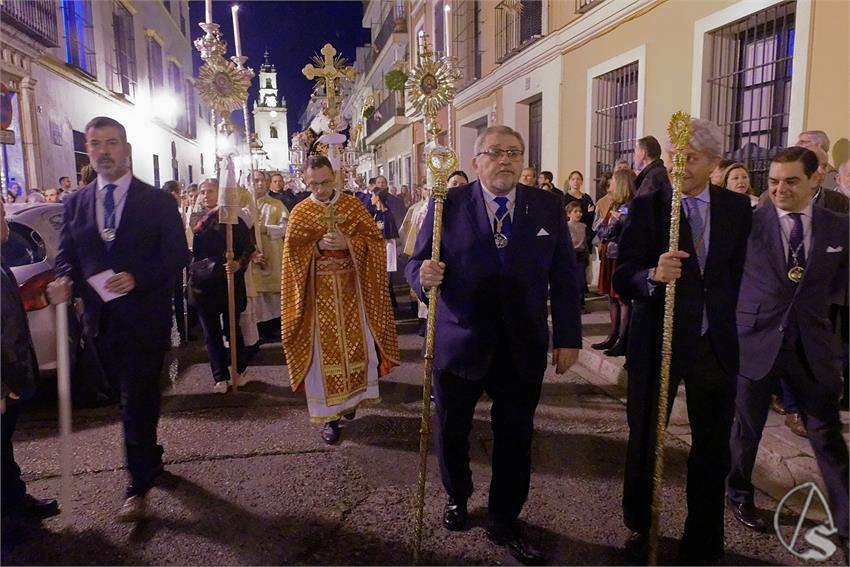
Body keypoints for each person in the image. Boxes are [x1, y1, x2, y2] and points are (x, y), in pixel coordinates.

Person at [406, 125, 581, 566]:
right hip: (460, 339)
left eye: (513, 152)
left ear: (523, 159)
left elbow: (564, 276)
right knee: (452, 429)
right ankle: (457, 495)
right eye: (494, 152)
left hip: (521, 344)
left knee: (516, 437)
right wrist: (421, 278)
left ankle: (505, 517)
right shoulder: (448, 205)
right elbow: (416, 263)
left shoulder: (547, 205)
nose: (504, 160)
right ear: (476, 160)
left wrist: (568, 338)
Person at [612, 118, 752, 564]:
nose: (681, 166)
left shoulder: (736, 208)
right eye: (676, 157)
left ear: (714, 163)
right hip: (660, 340)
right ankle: (641, 522)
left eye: (692, 158)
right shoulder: (650, 206)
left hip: (716, 344)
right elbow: (622, 275)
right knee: (647, 438)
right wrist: (652, 275)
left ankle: (704, 538)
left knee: (712, 447)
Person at [46, 116, 188, 522]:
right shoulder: (75, 202)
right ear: (88, 151)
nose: (104, 151)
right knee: (130, 400)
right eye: (95, 144)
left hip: (144, 317)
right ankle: (151, 454)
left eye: (112, 143)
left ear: (126, 149)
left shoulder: (157, 201)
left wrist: (138, 277)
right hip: (99, 320)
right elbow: (67, 254)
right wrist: (63, 280)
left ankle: (137, 484)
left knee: (136, 398)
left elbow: (177, 254)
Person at [727, 147, 849, 549]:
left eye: (791, 181)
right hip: (756, 340)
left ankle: (846, 523)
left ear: (816, 179)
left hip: (811, 346)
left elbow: (838, 286)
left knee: (826, 434)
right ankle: (739, 493)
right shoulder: (747, 222)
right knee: (747, 430)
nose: (779, 189)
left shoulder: (839, 227)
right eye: (774, 181)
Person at [281, 156, 399, 444]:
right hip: (317, 298)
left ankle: (351, 403)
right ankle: (330, 417)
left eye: (324, 182)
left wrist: (349, 243)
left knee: (357, 350)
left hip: (352, 293)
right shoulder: (300, 212)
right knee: (324, 359)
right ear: (306, 182)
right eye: (313, 184)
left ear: (333, 177)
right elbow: (291, 257)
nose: (320, 189)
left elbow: (374, 243)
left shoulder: (352, 205)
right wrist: (316, 247)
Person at [1, 201, 61, 523]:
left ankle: (16, 504)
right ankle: (10, 520)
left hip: (11, 376)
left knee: (3, 450)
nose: (5, 221)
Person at [188, 178, 254, 394]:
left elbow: (248, 247)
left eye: (210, 191)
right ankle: (219, 376)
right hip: (204, 283)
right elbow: (192, 249)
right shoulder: (196, 218)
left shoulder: (232, 219)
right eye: (202, 192)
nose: (205, 195)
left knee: (231, 327)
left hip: (228, 280)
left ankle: (239, 369)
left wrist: (238, 263)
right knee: (210, 331)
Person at [592, 170, 634, 356]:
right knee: (611, 297)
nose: (611, 184)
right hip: (609, 254)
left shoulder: (630, 206)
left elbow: (614, 231)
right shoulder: (614, 204)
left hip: (621, 256)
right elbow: (601, 230)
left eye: (614, 181)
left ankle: (623, 341)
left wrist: (616, 224)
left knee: (622, 298)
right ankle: (612, 335)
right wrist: (610, 228)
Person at [248, 170, 288, 342]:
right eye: (256, 180)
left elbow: (287, 228)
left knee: (272, 295)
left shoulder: (277, 205)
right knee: (255, 295)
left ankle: (274, 327)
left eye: (263, 180)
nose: (260, 184)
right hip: (250, 258)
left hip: (272, 254)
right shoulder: (243, 207)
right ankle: (257, 330)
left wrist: (267, 229)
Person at [163, 180, 190, 344]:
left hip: (171, 263)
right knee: (173, 299)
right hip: (169, 264)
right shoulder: (169, 213)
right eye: (179, 193)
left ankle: (179, 332)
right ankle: (176, 333)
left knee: (175, 299)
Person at [567, 201, 589, 309]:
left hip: (581, 254)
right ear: (569, 214)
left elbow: (584, 242)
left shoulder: (583, 226)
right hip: (571, 254)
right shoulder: (566, 226)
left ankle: (580, 303)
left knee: (580, 280)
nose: (578, 214)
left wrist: (587, 256)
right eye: (575, 211)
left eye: (580, 211)